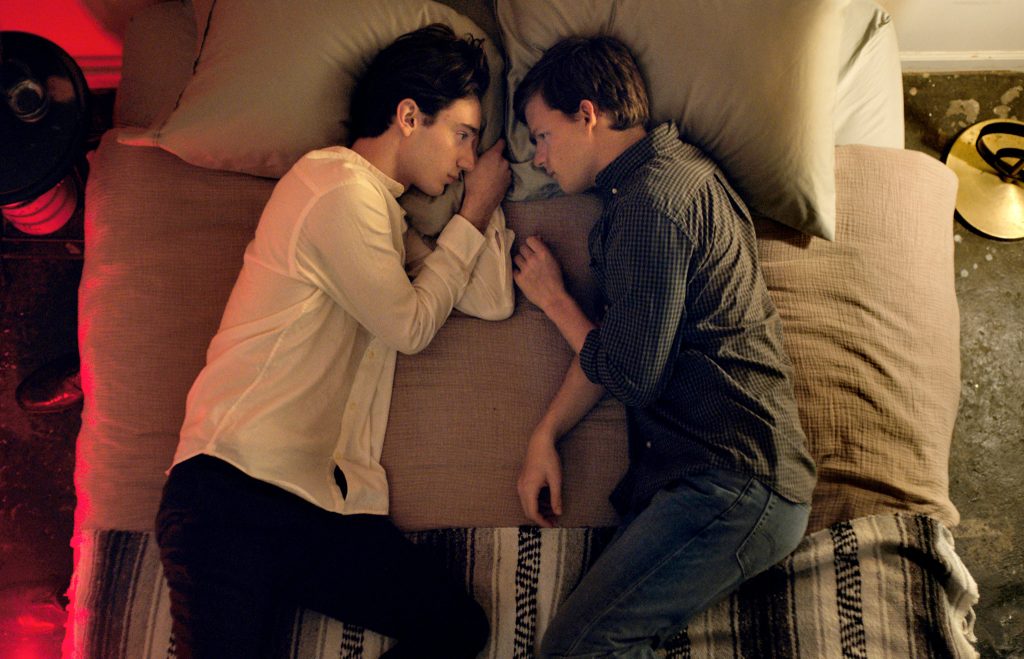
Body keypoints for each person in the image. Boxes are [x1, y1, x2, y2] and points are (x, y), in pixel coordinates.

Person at [155, 24, 513, 659]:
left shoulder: (386, 219)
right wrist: (475, 210)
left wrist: (481, 200)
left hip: (319, 509)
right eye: (462, 135)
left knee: (455, 625)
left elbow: (490, 299)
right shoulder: (334, 187)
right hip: (231, 492)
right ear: (409, 116)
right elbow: (410, 327)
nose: (466, 159)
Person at [511, 36, 817, 657]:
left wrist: (554, 300)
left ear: (587, 114)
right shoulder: (666, 181)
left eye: (542, 136)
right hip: (722, 480)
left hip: (734, 477)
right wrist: (546, 434)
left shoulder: (651, 205)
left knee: (577, 650)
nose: (538, 159)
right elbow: (619, 346)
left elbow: (629, 374)